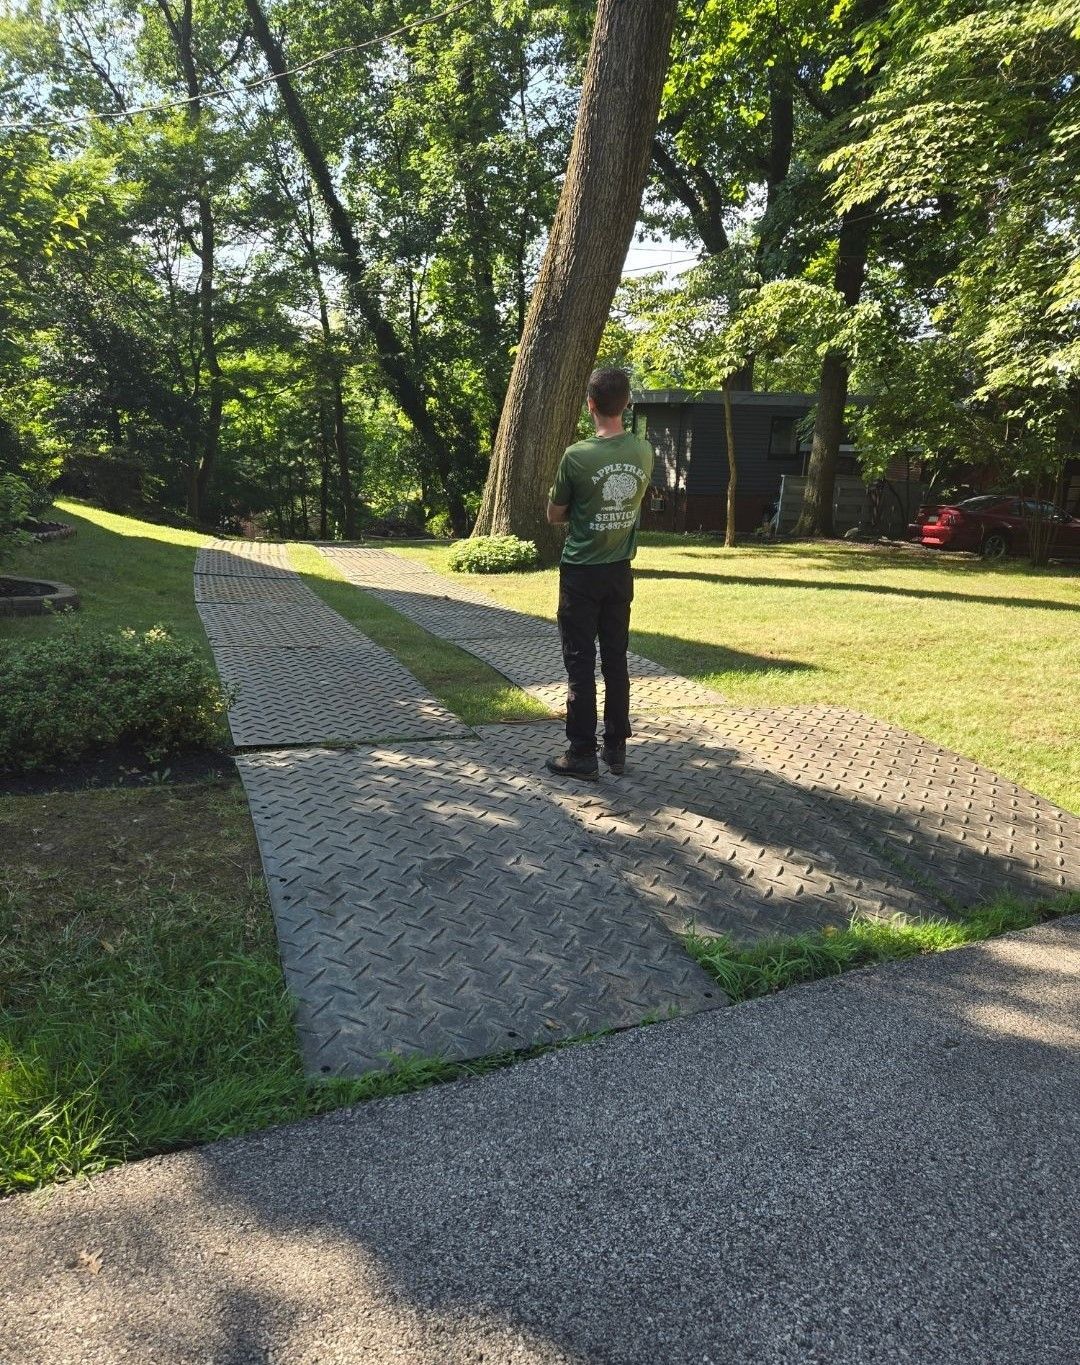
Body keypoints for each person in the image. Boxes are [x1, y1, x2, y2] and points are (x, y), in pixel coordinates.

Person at [544, 366, 654, 781]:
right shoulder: (644, 451)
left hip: (581, 574)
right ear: (625, 403)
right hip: (619, 572)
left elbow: (554, 515)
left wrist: (583, 511)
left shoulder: (577, 455)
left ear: (590, 404)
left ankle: (581, 751)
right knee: (615, 660)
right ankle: (617, 748)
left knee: (579, 663)